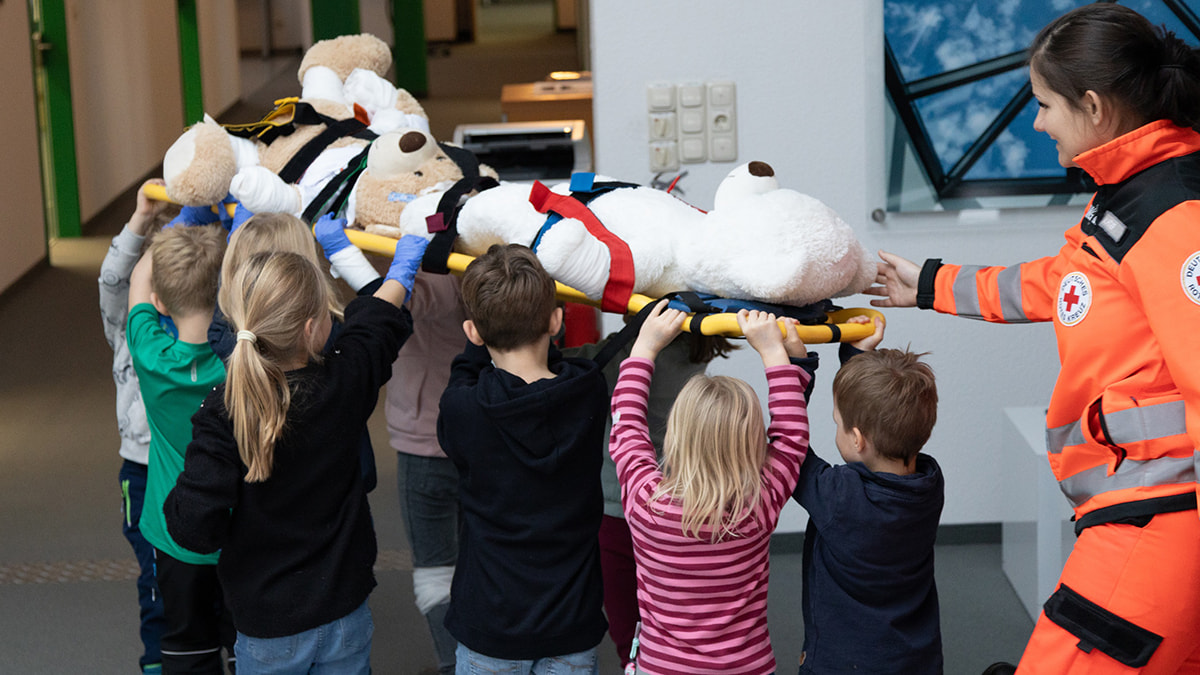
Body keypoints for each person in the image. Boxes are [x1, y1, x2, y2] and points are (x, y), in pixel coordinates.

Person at [868, 4, 1200, 672]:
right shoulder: (1125, 196)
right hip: (1133, 509)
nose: (1037, 119)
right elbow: (1062, 284)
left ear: (1094, 106)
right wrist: (929, 283)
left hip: (1160, 520)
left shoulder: (1174, 215)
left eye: (1045, 103)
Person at [163, 235, 428, 674]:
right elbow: (375, 325)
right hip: (345, 612)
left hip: (267, 627)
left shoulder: (224, 411)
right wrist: (402, 270)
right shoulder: (345, 382)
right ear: (310, 329)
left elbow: (192, 527)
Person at [609, 302, 811, 675]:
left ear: (672, 436)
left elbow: (627, 426)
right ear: (754, 444)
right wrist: (774, 354)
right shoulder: (759, 504)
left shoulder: (645, 502)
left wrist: (644, 348)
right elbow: (792, 435)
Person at [436, 244, 609, 674]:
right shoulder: (588, 393)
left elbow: (466, 373)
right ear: (556, 321)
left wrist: (483, 330)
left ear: (473, 333)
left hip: (490, 625)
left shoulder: (462, 410)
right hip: (571, 622)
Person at [314, 214, 464, 674]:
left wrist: (342, 251)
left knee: (436, 570)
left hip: (427, 444)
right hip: (474, 434)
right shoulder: (471, 259)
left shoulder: (436, 273)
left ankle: (455, 664)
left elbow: (390, 305)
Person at [564, 324, 737, 667]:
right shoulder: (695, 346)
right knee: (684, 619)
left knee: (628, 628)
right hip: (681, 507)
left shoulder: (626, 354)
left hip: (622, 511)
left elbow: (560, 365)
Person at [790, 316, 945, 674]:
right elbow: (880, 413)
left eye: (836, 423)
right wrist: (857, 360)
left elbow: (788, 447)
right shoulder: (929, 482)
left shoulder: (840, 498)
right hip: (915, 662)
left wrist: (797, 369)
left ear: (857, 439)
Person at [126, 222, 233, 673]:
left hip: (174, 538)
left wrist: (171, 229)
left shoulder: (150, 355)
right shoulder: (240, 364)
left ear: (161, 304)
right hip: (237, 535)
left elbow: (137, 281)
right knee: (246, 644)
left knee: (187, 648)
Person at [100, 179, 170, 673]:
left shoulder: (208, 329)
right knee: (156, 585)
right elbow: (112, 278)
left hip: (195, 464)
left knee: (215, 583)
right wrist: (142, 220)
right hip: (143, 470)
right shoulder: (127, 327)